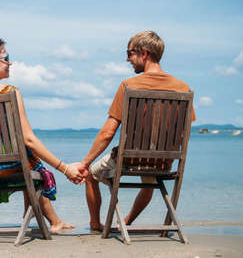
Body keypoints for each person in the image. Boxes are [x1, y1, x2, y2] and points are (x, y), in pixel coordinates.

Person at [77, 31, 195, 231]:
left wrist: (84, 163)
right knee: (148, 181)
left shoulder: (129, 86)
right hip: (163, 164)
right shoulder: (183, 88)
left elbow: (108, 133)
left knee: (89, 174)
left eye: (130, 53)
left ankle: (96, 224)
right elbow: (186, 135)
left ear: (144, 53)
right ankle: (127, 222)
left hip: (129, 161)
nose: (127, 59)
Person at [0, 37, 83, 233]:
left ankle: (44, 220)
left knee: (28, 157)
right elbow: (28, 138)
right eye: (6, 58)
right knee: (31, 160)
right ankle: (51, 221)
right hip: (7, 167)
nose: (10, 63)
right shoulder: (10, 92)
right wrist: (64, 168)